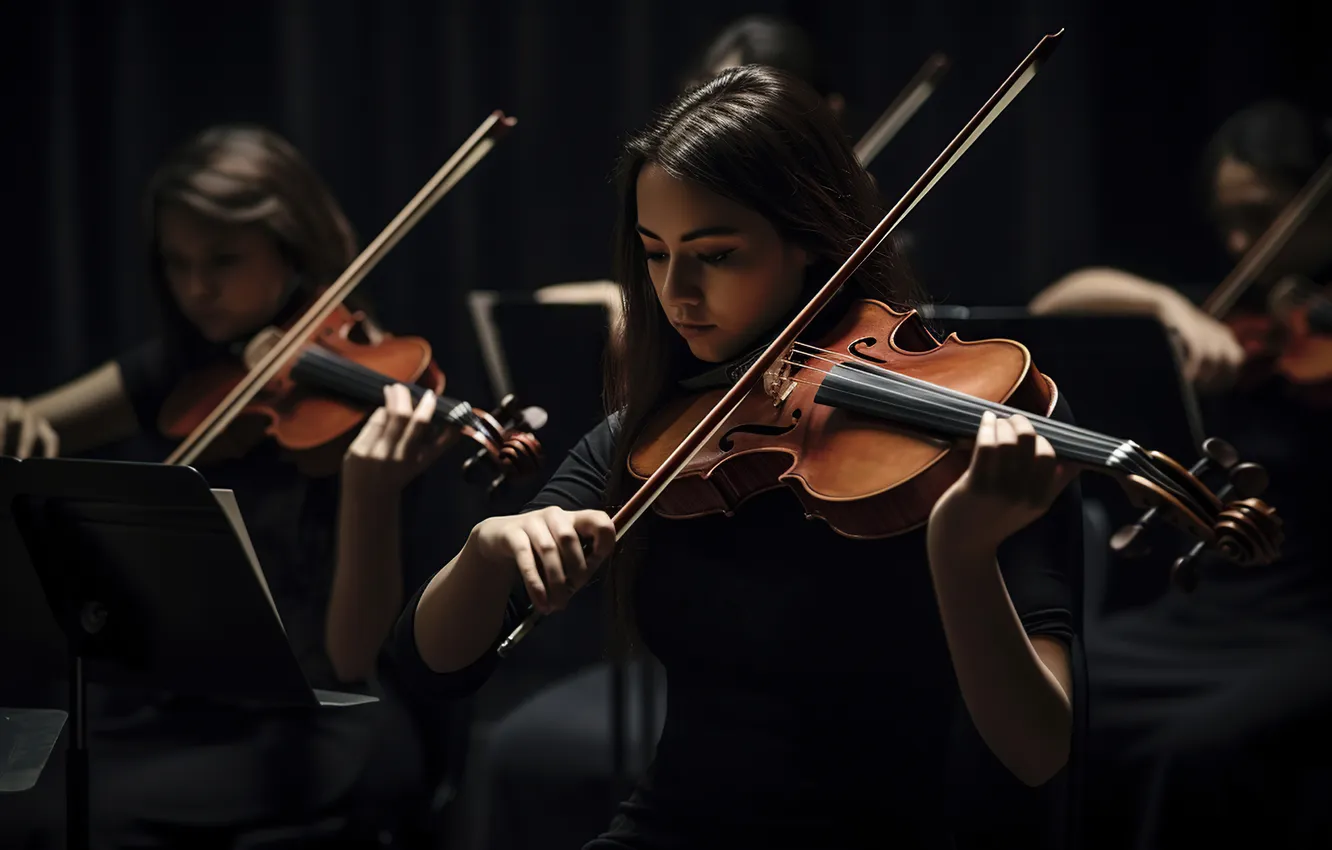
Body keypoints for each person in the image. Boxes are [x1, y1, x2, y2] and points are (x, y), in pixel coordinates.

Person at [390, 65, 1086, 849]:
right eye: (654, 254)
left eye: (715, 256)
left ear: (812, 246)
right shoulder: (663, 437)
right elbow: (426, 668)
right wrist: (487, 554)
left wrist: (961, 552)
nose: (675, 293)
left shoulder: (975, 447)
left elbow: (1038, 752)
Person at [0, 125, 459, 848]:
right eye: (176, 264)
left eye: (223, 260)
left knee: (63, 820)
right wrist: (18, 423)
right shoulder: (186, 367)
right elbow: (28, 422)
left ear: (295, 251)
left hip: (324, 722)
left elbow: (353, 661)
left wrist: (369, 494)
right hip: (183, 709)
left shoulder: (367, 401)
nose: (197, 288)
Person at [1029, 101, 1332, 848]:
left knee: (1195, 748)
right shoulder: (1230, 319)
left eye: (1260, 216)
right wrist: (1171, 307)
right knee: (1052, 699)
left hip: (1311, 620)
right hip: (1203, 609)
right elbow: (1056, 304)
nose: (1238, 242)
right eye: (1226, 220)